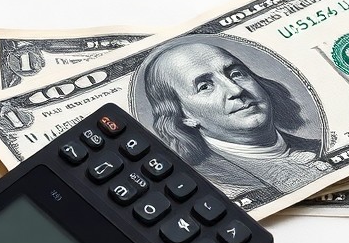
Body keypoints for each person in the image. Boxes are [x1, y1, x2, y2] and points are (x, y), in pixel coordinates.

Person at [141, 40, 331, 198]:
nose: (236, 90)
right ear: (185, 116)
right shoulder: (213, 183)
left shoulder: (319, 145)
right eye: (205, 86)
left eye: (236, 74)